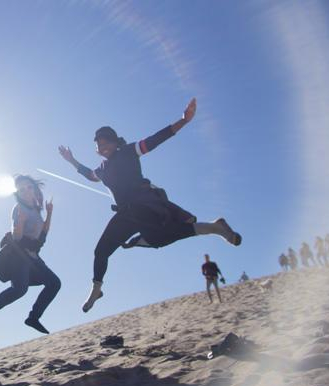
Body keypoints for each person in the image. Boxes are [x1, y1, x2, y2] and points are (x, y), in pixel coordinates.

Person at [58, 98, 241, 312]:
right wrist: (71, 160)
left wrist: (183, 121)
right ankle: (97, 289)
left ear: (116, 141)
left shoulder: (127, 151)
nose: (102, 147)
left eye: (106, 142)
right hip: (126, 214)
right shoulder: (103, 168)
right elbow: (90, 176)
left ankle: (211, 228)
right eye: (99, 146)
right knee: (101, 251)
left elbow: (154, 140)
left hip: (145, 206)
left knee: (159, 237)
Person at [0, 175, 61, 335]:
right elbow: (17, 237)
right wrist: (20, 223)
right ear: (17, 193)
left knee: (54, 284)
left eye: (29, 187)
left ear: (34, 189)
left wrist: (49, 213)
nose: (25, 191)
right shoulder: (19, 209)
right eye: (21, 189)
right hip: (20, 257)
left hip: (33, 256)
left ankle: (33, 318)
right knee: (19, 290)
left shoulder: (36, 209)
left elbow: (43, 233)